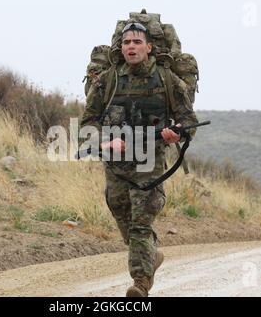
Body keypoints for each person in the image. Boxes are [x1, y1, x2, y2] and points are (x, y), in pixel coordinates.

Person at [80, 22, 198, 297]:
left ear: (149, 47)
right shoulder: (108, 80)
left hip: (149, 161)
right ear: (120, 48)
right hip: (116, 164)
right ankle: (150, 256)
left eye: (136, 42)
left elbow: (188, 121)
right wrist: (105, 142)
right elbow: (88, 122)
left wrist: (175, 134)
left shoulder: (168, 80)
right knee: (123, 218)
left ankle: (141, 284)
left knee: (141, 224)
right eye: (126, 42)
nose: (131, 46)